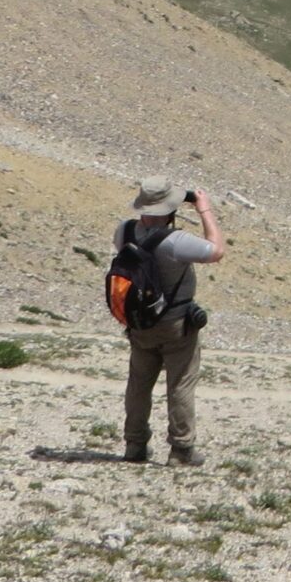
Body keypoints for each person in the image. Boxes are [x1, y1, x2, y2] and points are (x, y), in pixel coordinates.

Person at [116, 177, 226, 466]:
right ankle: (181, 449)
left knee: (139, 384)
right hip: (177, 323)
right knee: (180, 384)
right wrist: (204, 210)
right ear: (169, 208)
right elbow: (216, 250)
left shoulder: (124, 231)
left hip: (140, 323)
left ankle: (134, 445)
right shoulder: (175, 241)